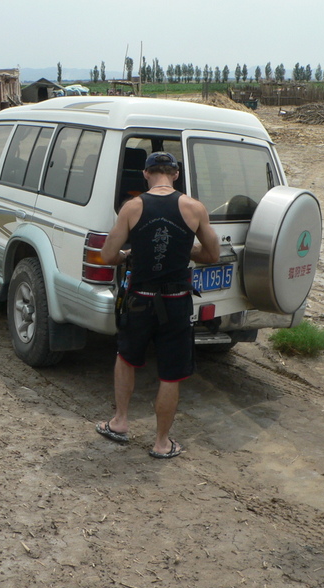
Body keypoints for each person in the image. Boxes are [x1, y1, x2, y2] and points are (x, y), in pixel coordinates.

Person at [96, 151, 220, 459]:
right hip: (177, 302)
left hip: (140, 299)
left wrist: (127, 254)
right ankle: (162, 443)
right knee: (170, 374)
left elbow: (108, 255)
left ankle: (120, 422)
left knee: (126, 358)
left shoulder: (133, 207)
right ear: (176, 174)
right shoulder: (194, 208)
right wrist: (184, 250)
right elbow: (212, 254)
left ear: (146, 174)